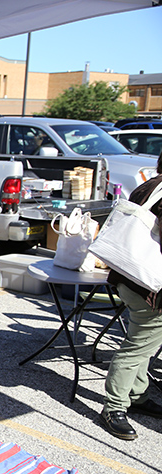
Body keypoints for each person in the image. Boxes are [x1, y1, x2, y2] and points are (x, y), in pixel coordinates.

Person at [100, 151, 162, 441]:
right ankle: (114, 407)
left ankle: (137, 395)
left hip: (128, 278)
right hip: (150, 287)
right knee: (138, 346)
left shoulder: (149, 186)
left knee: (144, 342)